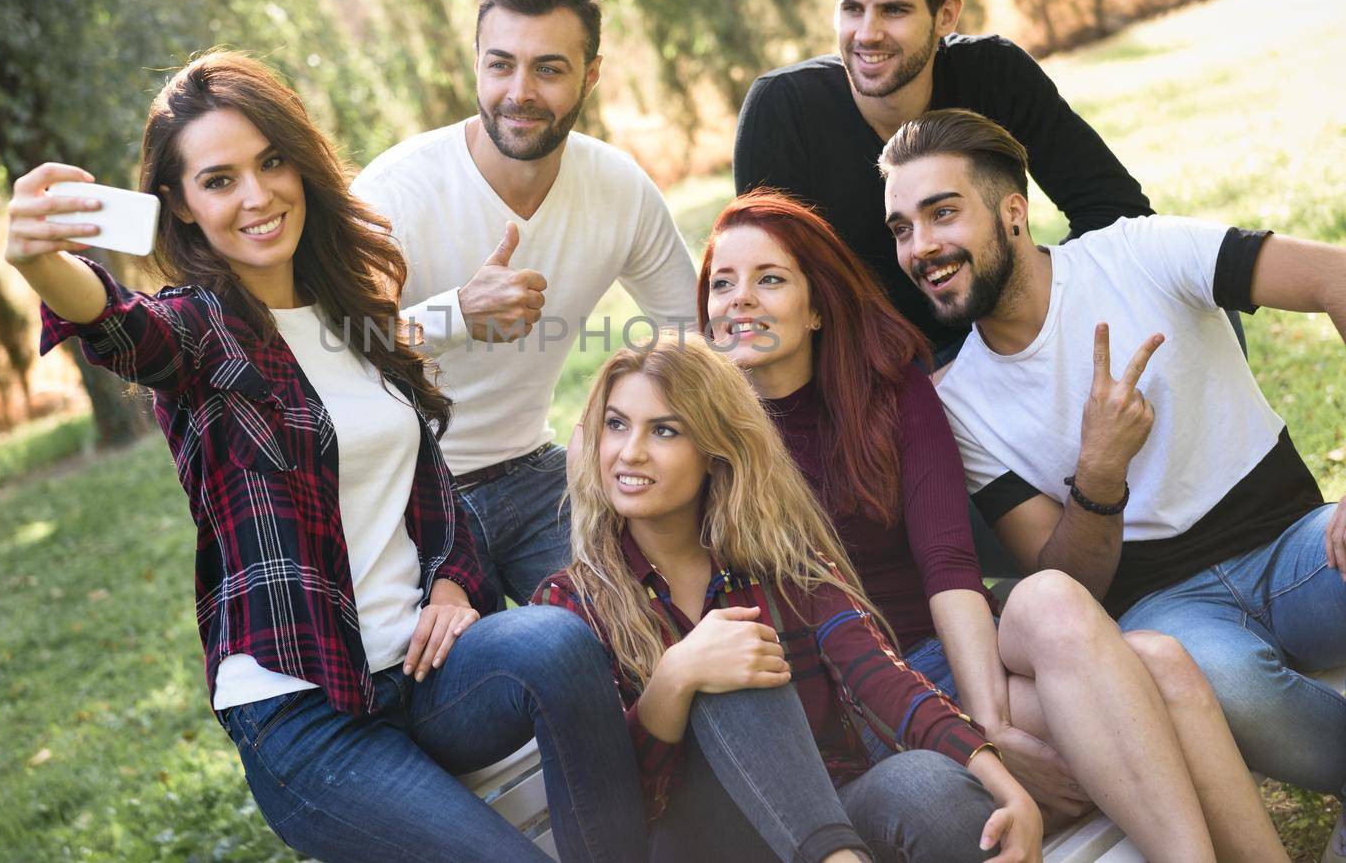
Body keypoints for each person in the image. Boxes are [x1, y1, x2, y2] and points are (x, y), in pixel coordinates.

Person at [2, 51, 648, 863]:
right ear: (182, 206)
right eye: (219, 180)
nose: (256, 195)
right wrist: (38, 260)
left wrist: (454, 579)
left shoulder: (356, 314)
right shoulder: (200, 333)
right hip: (308, 716)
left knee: (557, 645)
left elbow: (426, 484)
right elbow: (120, 324)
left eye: (271, 162)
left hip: (426, 672)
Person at [699, 189, 1288, 861]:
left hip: (952, 659)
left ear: (816, 309)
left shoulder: (889, 394)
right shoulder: (700, 436)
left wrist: (988, 724)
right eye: (722, 284)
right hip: (859, 700)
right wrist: (977, 739)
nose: (739, 299)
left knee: (1116, 638)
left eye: (769, 279)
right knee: (1153, 679)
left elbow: (947, 563)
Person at [880, 107, 1346, 857]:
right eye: (902, 227)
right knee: (1222, 681)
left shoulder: (1139, 252)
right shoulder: (956, 399)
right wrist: (1098, 475)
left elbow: (1335, 277)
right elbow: (1067, 583)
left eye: (941, 213)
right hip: (1169, 612)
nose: (922, 246)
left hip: (1297, 547)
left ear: (1012, 213)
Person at [535, 331, 1044, 863]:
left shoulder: (780, 563)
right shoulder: (572, 605)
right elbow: (604, 803)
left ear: (715, 452)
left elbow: (883, 679)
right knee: (727, 660)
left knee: (932, 791)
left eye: (664, 430)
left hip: (833, 810)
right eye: (616, 425)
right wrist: (675, 679)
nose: (630, 452)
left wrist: (1004, 783)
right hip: (701, 845)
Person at [353, 0, 696, 606]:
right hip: (411, 495)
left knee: (640, 622)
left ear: (590, 76)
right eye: (501, 64)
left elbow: (694, 336)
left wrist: (628, 431)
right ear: (476, 62)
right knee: (496, 676)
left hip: (539, 476)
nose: (520, 91)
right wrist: (457, 313)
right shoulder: (394, 193)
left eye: (549, 68)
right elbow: (329, 356)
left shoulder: (618, 189)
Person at [732, 0, 1151, 354]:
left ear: (946, 15)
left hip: (1012, 334)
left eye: (894, 10)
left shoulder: (995, 73)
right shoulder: (782, 111)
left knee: (1181, 293)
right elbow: (769, 295)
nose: (867, 34)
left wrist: (1037, 308)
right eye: (852, 9)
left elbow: (1115, 212)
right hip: (883, 374)